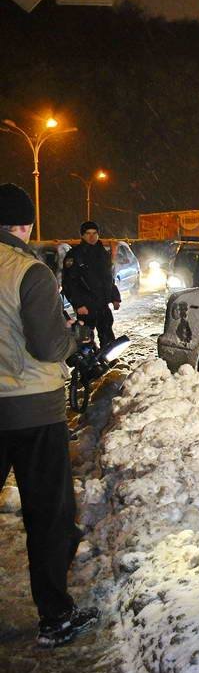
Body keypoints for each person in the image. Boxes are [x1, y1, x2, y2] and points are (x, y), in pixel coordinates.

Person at [0, 183, 99, 648]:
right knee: (48, 514)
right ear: (25, 225)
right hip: (33, 410)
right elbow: (47, 345)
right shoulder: (29, 271)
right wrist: (73, 337)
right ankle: (55, 616)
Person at [61, 221, 121, 347]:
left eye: (94, 233)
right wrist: (78, 304)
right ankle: (88, 358)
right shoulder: (75, 255)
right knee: (85, 341)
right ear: (82, 236)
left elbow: (108, 278)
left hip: (103, 305)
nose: (92, 237)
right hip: (86, 307)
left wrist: (115, 297)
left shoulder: (103, 253)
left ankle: (107, 357)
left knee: (108, 339)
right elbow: (69, 283)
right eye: (88, 233)